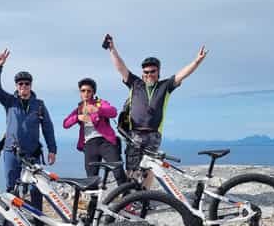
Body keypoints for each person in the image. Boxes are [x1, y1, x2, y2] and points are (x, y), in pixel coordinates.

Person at [104, 34, 207, 186]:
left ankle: (144, 198)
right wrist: (112, 49)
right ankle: (131, 198)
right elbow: (121, 67)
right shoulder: (135, 84)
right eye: (146, 72)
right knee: (132, 166)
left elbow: (182, 74)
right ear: (142, 74)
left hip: (153, 134)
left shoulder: (165, 86)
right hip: (135, 133)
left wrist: (197, 61)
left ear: (158, 72)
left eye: (152, 71)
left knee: (149, 168)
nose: (149, 74)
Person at [0, 49, 57, 225]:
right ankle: (10, 224)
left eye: (26, 83)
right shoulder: (9, 101)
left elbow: (48, 128)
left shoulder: (39, 105)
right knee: (11, 188)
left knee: (36, 190)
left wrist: (52, 149)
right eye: (20, 84)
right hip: (11, 151)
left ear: (31, 85)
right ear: (16, 86)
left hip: (32, 153)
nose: (23, 86)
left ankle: (38, 222)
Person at [62, 78, 127, 184]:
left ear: (93, 92)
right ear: (80, 93)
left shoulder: (99, 103)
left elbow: (113, 112)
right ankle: (94, 201)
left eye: (89, 91)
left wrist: (97, 110)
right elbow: (65, 124)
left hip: (106, 142)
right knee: (91, 179)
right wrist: (78, 118)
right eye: (83, 91)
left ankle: (128, 199)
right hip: (89, 145)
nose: (86, 93)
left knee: (119, 172)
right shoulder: (79, 109)